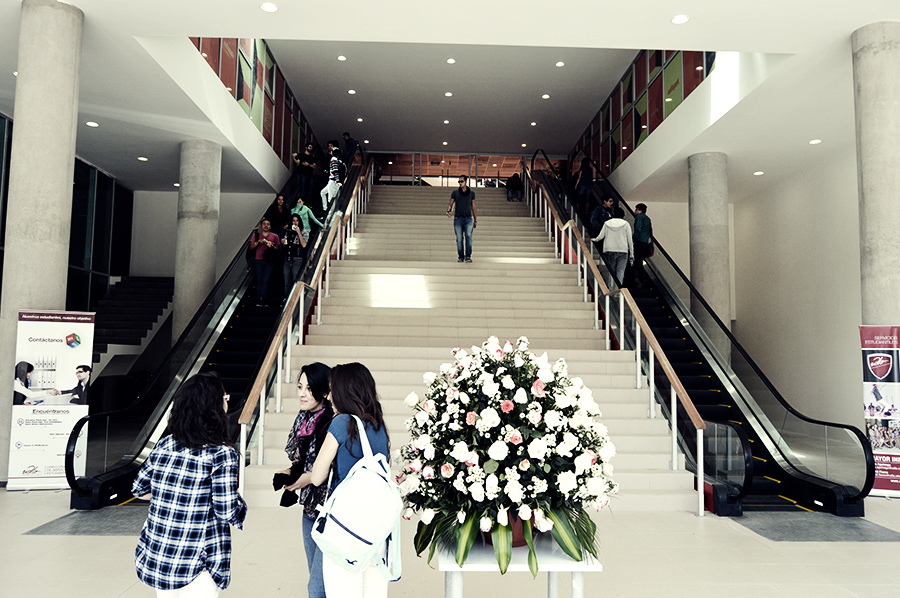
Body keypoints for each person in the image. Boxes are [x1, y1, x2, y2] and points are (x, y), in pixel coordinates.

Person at [132, 372, 247, 597]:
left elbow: (139, 488)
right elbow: (226, 510)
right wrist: (240, 507)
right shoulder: (221, 453)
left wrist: (174, 496)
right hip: (197, 559)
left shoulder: (166, 444)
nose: (227, 402)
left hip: (161, 555)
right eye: (225, 397)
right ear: (214, 407)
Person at [302, 362, 390, 597]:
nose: (329, 396)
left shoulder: (342, 423)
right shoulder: (379, 426)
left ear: (344, 391)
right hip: (376, 530)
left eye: (333, 390)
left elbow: (317, 477)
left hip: (346, 528)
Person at [274, 363, 334, 598]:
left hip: (328, 510)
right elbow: (302, 461)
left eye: (309, 389)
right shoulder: (304, 418)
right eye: (300, 387)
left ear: (324, 391)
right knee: (316, 577)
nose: (302, 394)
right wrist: (290, 473)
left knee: (317, 588)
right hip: (309, 509)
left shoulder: (332, 421)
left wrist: (305, 480)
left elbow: (332, 468)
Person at [592, 207, 633, 289]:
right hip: (623, 250)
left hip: (611, 250)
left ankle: (611, 289)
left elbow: (601, 236)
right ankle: (618, 290)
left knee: (611, 271)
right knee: (620, 271)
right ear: (623, 215)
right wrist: (632, 254)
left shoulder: (607, 223)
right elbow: (630, 240)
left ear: (613, 214)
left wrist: (595, 239)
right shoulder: (626, 224)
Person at [446, 175, 477, 263]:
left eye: (461, 181)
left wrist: (475, 220)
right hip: (458, 218)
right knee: (459, 238)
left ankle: (468, 256)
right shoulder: (455, 192)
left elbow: (473, 206)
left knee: (468, 236)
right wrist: (449, 211)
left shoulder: (471, 193)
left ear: (466, 181)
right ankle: (461, 256)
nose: (460, 183)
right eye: (459, 181)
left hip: (468, 218)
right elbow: (451, 203)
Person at [250, 217, 280, 306]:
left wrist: (271, 245)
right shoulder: (256, 235)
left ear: (270, 226)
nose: (266, 226)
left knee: (265, 280)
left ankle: (262, 299)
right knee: (259, 280)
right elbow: (251, 247)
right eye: (264, 224)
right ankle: (259, 298)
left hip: (269, 260)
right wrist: (258, 242)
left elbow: (277, 248)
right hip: (258, 260)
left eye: (268, 224)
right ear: (261, 226)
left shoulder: (275, 236)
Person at [282, 214, 308, 299]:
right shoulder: (288, 231)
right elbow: (286, 245)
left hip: (297, 259)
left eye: (297, 220)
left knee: (295, 279)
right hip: (287, 258)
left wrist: (299, 232)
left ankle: (295, 299)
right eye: (293, 220)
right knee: (286, 281)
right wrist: (283, 242)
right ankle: (286, 298)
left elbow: (304, 244)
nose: (295, 222)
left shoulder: (304, 232)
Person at [633, 203, 652, 288]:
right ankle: (642, 280)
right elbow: (650, 231)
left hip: (639, 241)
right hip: (645, 242)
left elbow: (637, 228)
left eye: (636, 209)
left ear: (640, 210)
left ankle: (639, 279)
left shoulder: (639, 217)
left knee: (637, 261)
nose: (635, 211)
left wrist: (633, 239)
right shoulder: (647, 218)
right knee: (640, 261)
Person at [292, 143, 317, 209]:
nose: (310, 148)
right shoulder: (301, 155)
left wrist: (308, 165)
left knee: (309, 190)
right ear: (306, 147)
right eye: (309, 147)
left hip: (310, 175)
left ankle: (308, 204)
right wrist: (294, 157)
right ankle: (301, 205)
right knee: (302, 190)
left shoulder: (312, 157)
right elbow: (297, 162)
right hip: (303, 174)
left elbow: (314, 166)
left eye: (311, 147)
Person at [320, 147, 342, 212]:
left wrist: (337, 181)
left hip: (333, 181)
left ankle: (330, 213)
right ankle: (325, 209)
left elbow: (335, 171)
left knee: (331, 199)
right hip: (332, 181)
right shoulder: (337, 160)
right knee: (322, 192)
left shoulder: (333, 159)